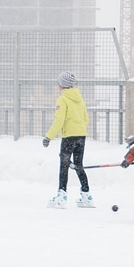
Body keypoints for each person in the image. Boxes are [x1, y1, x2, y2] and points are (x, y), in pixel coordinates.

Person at [42, 71, 92, 209]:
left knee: (64, 166)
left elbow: (59, 121)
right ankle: (86, 196)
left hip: (69, 136)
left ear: (61, 85)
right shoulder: (80, 99)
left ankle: (61, 196)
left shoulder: (62, 100)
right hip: (81, 136)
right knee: (78, 165)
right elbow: (86, 119)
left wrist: (48, 137)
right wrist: (79, 129)